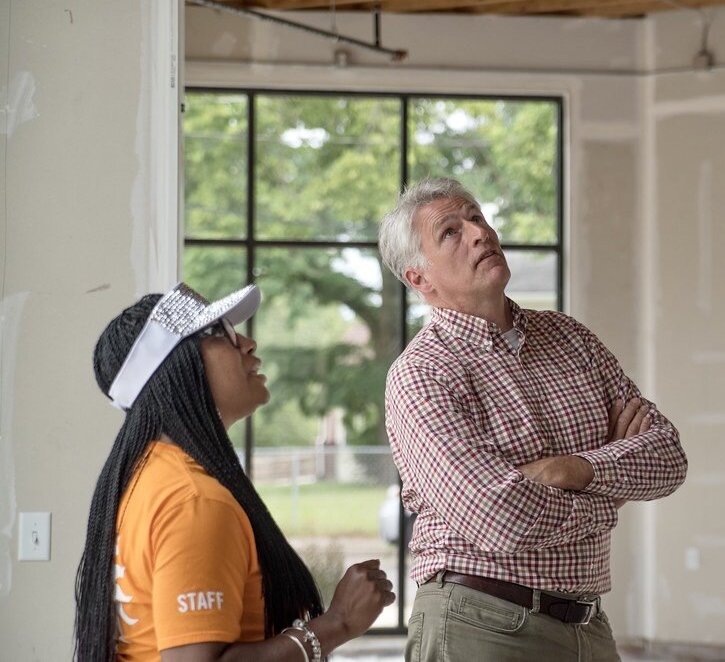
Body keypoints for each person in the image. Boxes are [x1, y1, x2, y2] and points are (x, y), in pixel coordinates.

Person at [379, 177, 688, 662]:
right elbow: (501, 519)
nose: (480, 234)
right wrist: (613, 495)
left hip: (589, 625)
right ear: (420, 279)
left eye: (477, 217)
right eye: (451, 233)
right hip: (480, 623)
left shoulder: (571, 338)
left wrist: (574, 471)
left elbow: (668, 457)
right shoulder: (422, 374)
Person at [74, 283, 395, 661]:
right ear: (174, 368)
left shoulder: (147, 477)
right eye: (219, 333)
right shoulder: (193, 501)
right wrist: (337, 624)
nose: (246, 342)